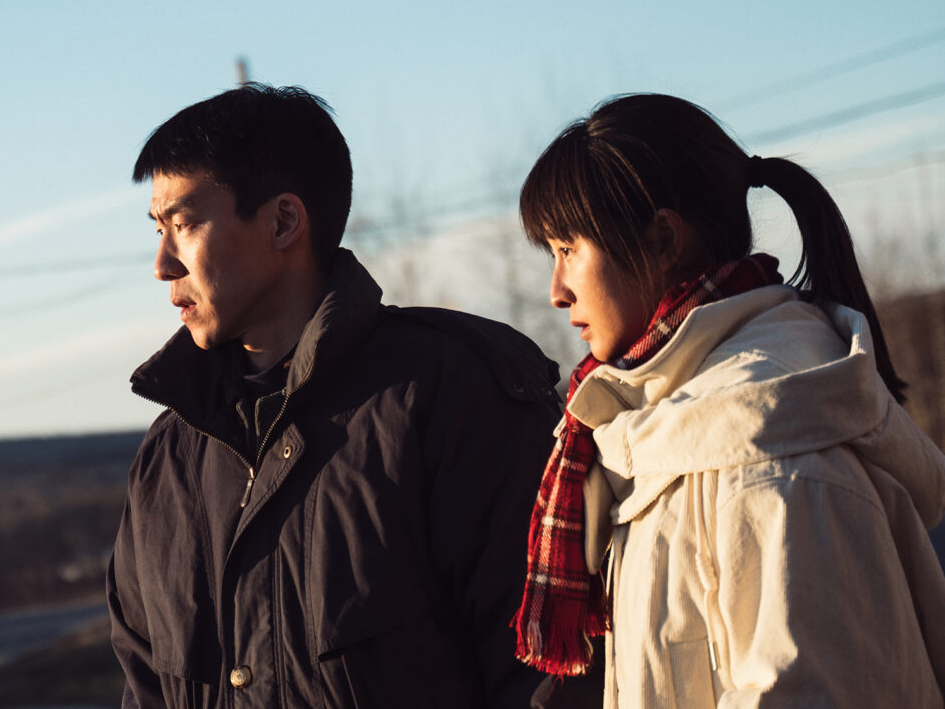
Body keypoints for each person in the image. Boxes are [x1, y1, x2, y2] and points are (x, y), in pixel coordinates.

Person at [106, 83, 570, 708]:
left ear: (283, 222)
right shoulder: (166, 463)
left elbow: (546, 678)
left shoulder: (447, 396)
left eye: (184, 224)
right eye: (158, 229)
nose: (163, 263)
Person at [513, 92, 945, 708]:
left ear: (664, 240)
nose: (556, 291)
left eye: (568, 250)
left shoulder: (771, 448)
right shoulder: (668, 433)